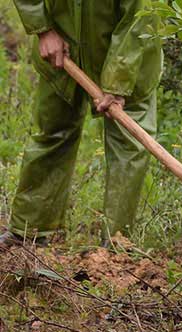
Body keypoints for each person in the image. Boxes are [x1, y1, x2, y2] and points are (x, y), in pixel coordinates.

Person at [0, 1, 163, 247]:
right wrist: (43, 29)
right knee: (53, 133)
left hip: (130, 55)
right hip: (62, 48)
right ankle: (28, 232)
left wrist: (118, 81)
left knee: (129, 146)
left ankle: (116, 247)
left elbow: (139, 18)